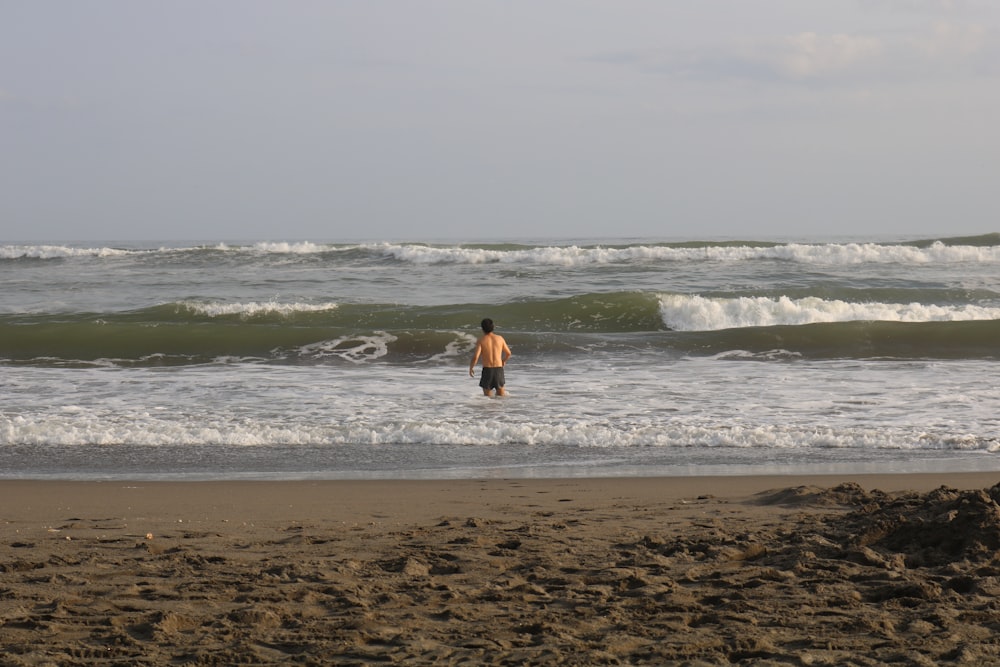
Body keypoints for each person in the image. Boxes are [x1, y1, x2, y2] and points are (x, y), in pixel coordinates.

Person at [469, 318, 512, 396]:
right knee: (501, 398)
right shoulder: (500, 338)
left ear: (482, 328)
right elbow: (508, 353)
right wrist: (503, 361)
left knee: (488, 400)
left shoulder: (481, 340)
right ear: (493, 327)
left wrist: (471, 368)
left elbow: (476, 357)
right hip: (498, 370)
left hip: (487, 370)